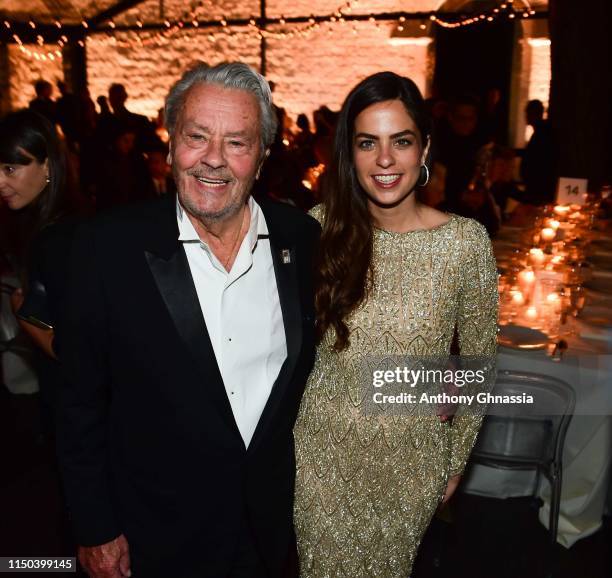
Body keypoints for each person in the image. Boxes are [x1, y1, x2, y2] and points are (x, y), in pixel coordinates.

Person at [56, 62, 320, 578]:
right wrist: (94, 526)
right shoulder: (106, 248)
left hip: (264, 529)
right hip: (152, 532)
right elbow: (77, 403)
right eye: (197, 137)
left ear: (262, 157)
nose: (213, 160)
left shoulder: (300, 240)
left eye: (237, 143)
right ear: (171, 144)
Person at [293, 72, 498, 577]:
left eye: (400, 141)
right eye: (368, 143)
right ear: (350, 153)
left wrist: (453, 465)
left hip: (411, 467)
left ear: (424, 148)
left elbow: (477, 364)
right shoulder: (316, 229)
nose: (385, 160)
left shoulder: (464, 245)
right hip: (319, 459)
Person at [0, 110, 77, 429]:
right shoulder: (46, 225)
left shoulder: (56, 239)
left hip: (74, 406)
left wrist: (23, 312)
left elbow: (72, 347)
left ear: (47, 165)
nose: (0, 182)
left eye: (10, 169)